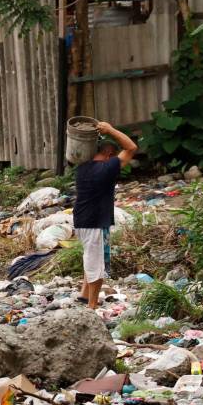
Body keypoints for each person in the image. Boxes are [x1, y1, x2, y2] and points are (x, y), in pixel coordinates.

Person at [73, 122, 137, 310]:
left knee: (89, 257)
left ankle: (84, 296)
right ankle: (92, 306)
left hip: (81, 220)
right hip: (94, 222)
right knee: (96, 265)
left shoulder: (82, 167)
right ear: (109, 154)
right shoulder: (105, 169)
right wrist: (110, 130)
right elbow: (131, 147)